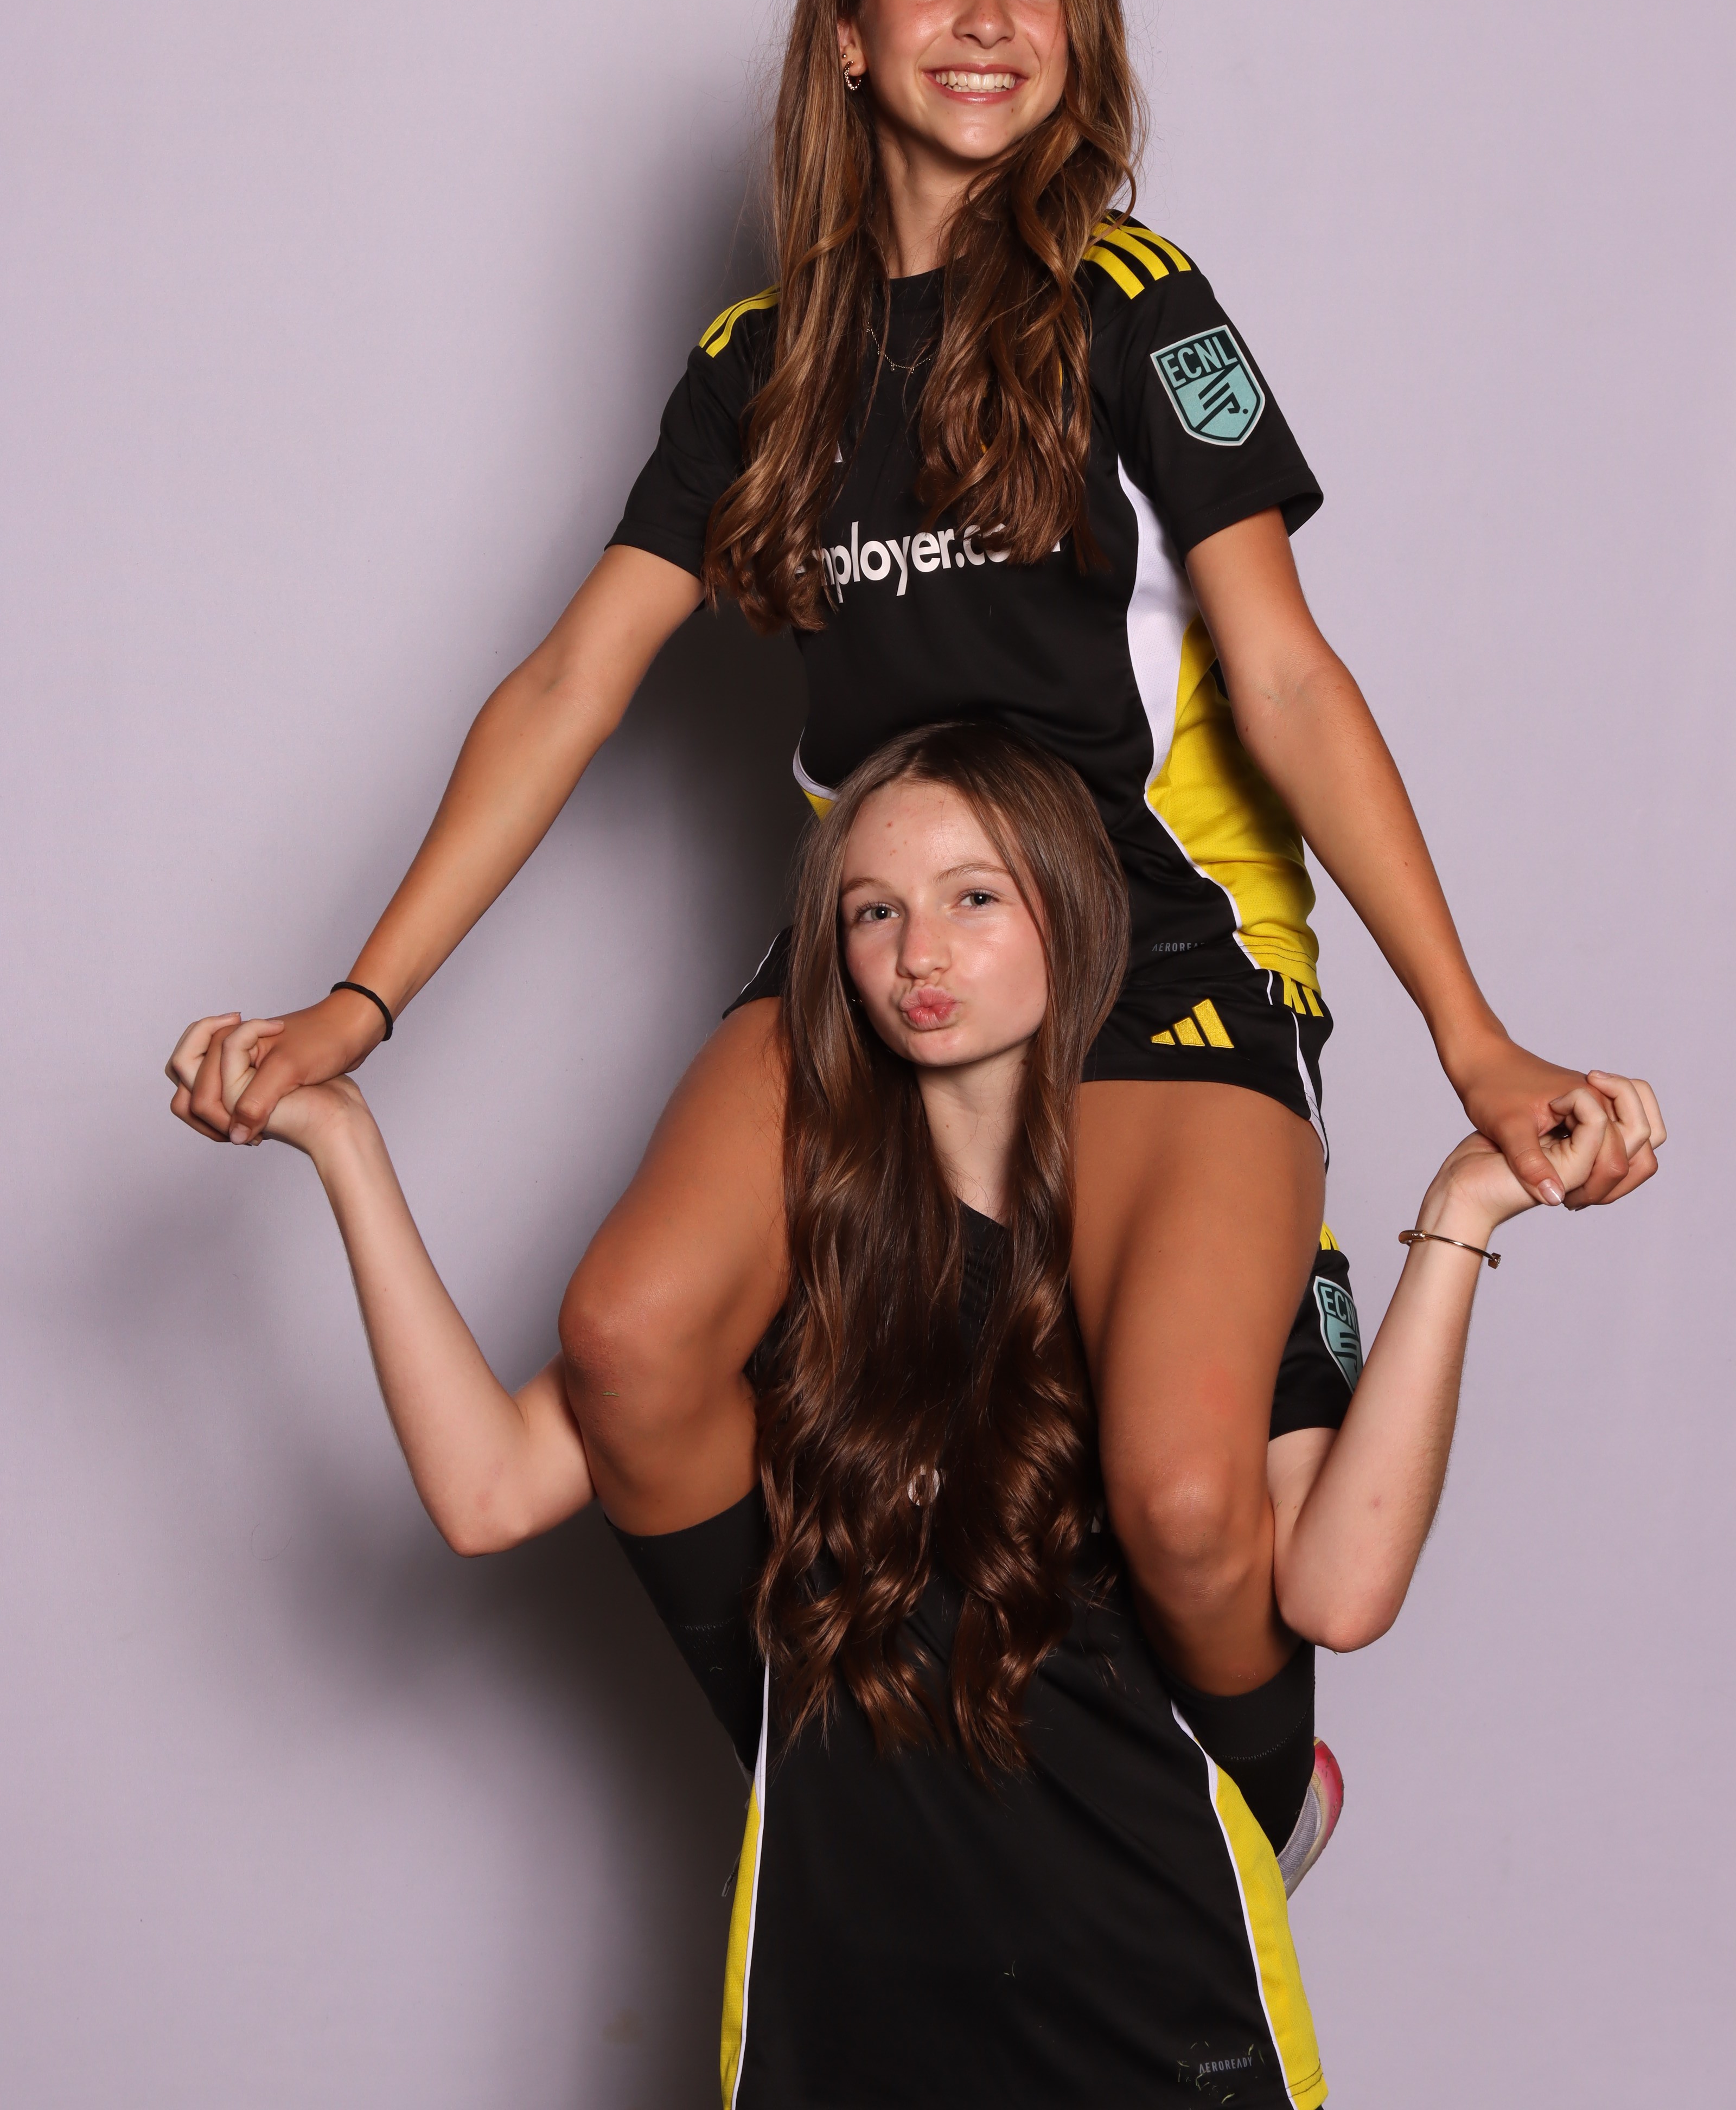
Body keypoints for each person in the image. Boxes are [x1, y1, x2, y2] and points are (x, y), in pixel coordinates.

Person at [170, 0, 1658, 1864]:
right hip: (885, 936)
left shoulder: (1136, 306)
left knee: (1188, 1502)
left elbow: (1292, 681)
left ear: (1079, 36)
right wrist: (361, 1006)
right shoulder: (757, 365)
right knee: (628, 1343)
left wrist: (1471, 1037)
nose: (989, 20)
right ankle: (843, 1802)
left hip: (1154, 937)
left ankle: (1246, 1809)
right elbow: (569, 687)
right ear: (851, 39)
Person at [165, 724, 1663, 2109]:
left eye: (973, 900)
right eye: (872, 912)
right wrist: (345, 1147)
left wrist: (1461, 1217)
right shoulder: (789, 1258)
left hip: (1157, 2005)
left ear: (1074, 920)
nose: (918, 953)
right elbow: (486, 1488)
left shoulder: (1193, 1258)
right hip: (836, 2022)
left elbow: (1339, 1588)